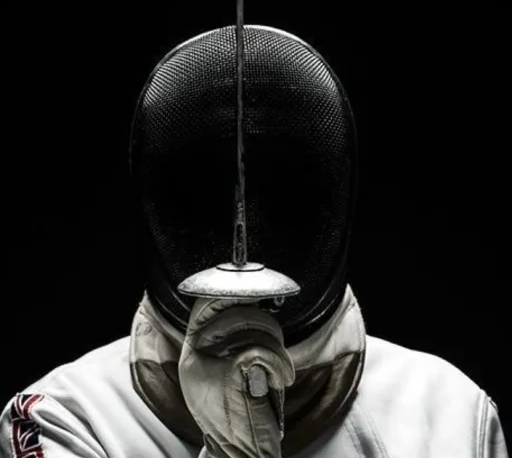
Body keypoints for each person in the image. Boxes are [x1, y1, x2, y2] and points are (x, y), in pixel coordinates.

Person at [0, 26, 508, 458]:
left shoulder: (447, 414)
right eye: (201, 190)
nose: (249, 223)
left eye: (289, 188)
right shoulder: (70, 417)